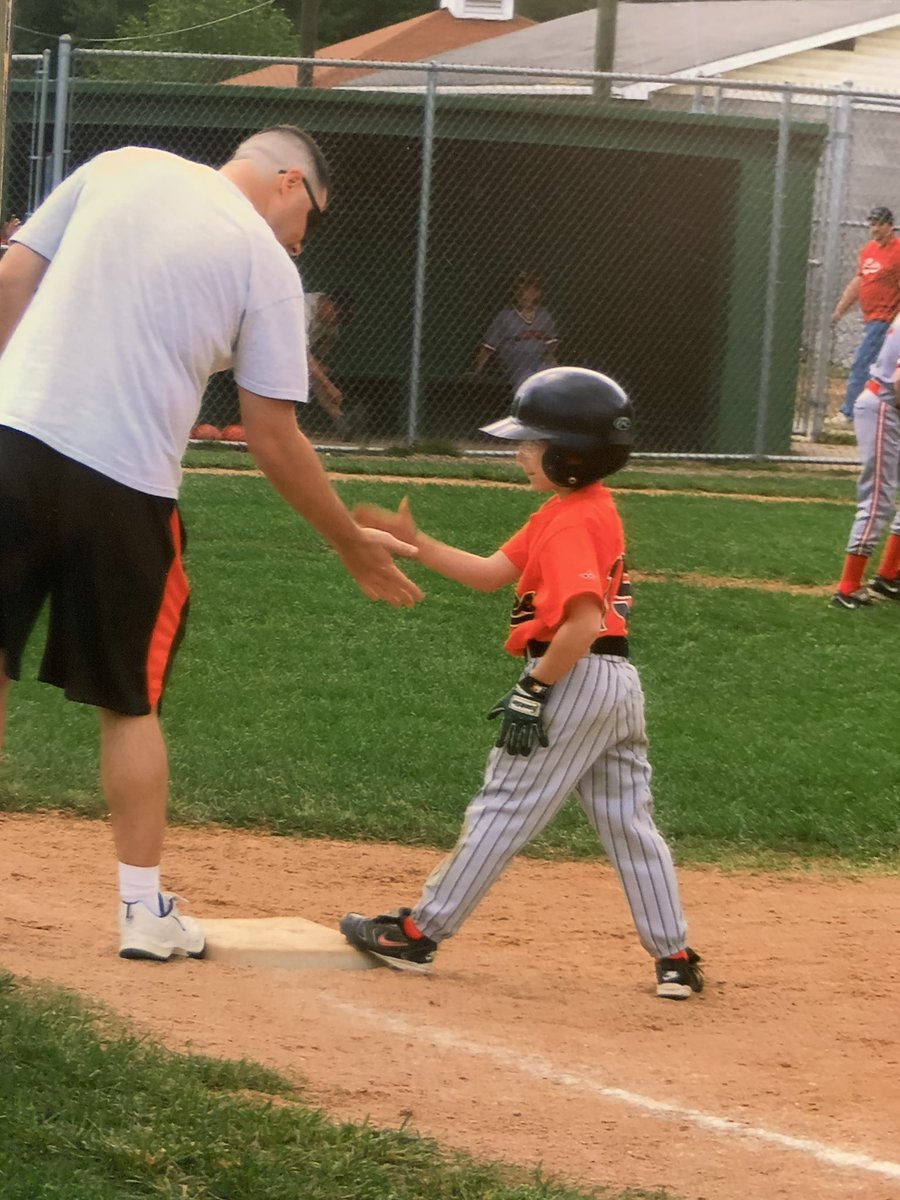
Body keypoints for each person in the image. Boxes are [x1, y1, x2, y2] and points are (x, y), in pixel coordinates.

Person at [0, 125, 423, 963]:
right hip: (126, 488)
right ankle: (142, 913)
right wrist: (349, 541)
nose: (300, 240)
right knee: (129, 702)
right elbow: (273, 435)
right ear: (290, 180)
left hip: (11, 442)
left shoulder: (118, 164)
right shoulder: (267, 265)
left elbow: (12, 277)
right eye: (308, 220)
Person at [340, 367, 704, 1001]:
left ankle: (418, 935)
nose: (520, 452)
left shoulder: (568, 522)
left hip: (573, 676)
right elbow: (488, 574)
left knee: (504, 807)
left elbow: (582, 622)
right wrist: (415, 542)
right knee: (628, 823)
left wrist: (535, 688)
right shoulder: (579, 510)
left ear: (571, 454)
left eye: (533, 443)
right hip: (616, 687)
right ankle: (674, 955)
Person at [830, 312, 900, 609]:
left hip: (890, 404)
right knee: (878, 498)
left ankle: (889, 574)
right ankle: (848, 586)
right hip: (886, 406)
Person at [827, 205, 900, 428]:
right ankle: (874, 413)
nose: (875, 229)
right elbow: (859, 282)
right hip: (870, 318)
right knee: (880, 369)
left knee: (862, 362)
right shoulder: (868, 250)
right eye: (872, 224)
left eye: (879, 224)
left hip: (885, 319)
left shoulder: (898, 251)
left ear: (890, 226)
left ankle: (848, 412)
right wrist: (840, 309)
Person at [471, 271, 558, 394]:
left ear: (537, 294)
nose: (523, 295)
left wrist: (550, 354)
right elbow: (488, 347)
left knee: (554, 377)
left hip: (539, 358)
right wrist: (477, 371)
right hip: (515, 359)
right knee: (526, 380)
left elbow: (551, 342)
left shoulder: (544, 316)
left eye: (528, 291)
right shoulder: (505, 316)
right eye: (519, 290)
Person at [303, 290, 353, 431]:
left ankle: (339, 417)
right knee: (316, 374)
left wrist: (320, 359)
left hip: (301, 354)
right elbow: (302, 355)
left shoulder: (330, 320)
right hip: (275, 349)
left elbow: (330, 338)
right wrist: (329, 386)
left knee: (315, 373)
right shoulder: (303, 308)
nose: (335, 321)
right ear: (328, 303)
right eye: (337, 315)